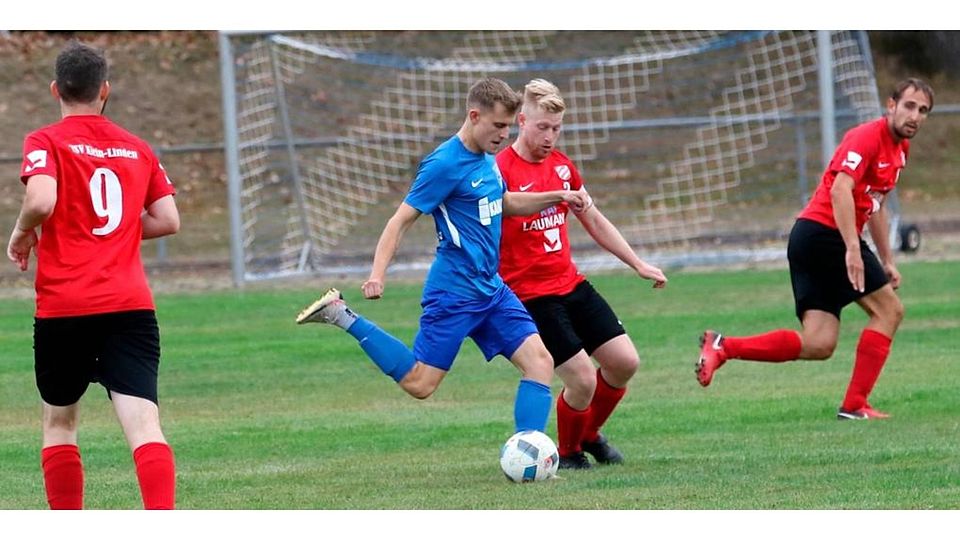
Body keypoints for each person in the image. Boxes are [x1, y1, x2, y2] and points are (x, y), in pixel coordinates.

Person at [296, 78, 591, 437]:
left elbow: (504, 203)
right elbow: (399, 221)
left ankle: (528, 456)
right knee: (420, 384)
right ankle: (341, 315)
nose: (504, 134)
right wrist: (377, 273)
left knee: (541, 362)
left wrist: (558, 195)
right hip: (454, 292)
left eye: (507, 126)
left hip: (492, 289)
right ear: (474, 115)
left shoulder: (488, 158)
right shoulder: (443, 165)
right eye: (498, 125)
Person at [696, 78, 934, 420]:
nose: (915, 115)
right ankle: (855, 406)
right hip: (826, 234)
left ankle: (722, 346)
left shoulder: (900, 151)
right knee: (889, 311)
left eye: (923, 110)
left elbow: (875, 205)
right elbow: (841, 190)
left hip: (812, 239)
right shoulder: (866, 136)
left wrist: (886, 259)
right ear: (891, 105)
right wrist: (853, 247)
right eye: (909, 106)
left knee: (819, 343)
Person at [7, 42, 180, 509]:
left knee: (60, 424)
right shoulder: (137, 147)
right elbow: (168, 219)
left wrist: (23, 232)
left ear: (55, 89)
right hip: (130, 307)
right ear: (105, 90)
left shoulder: (45, 141)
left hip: (66, 307)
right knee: (145, 427)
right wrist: (118, 231)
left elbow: (41, 201)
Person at [497, 79, 667, 470]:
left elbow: (592, 217)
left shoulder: (562, 167)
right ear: (522, 120)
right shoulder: (499, 169)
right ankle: (570, 452)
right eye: (542, 127)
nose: (549, 137)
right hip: (530, 295)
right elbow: (506, 208)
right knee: (582, 379)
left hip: (570, 283)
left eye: (556, 129)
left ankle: (589, 434)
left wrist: (637, 263)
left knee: (624, 362)